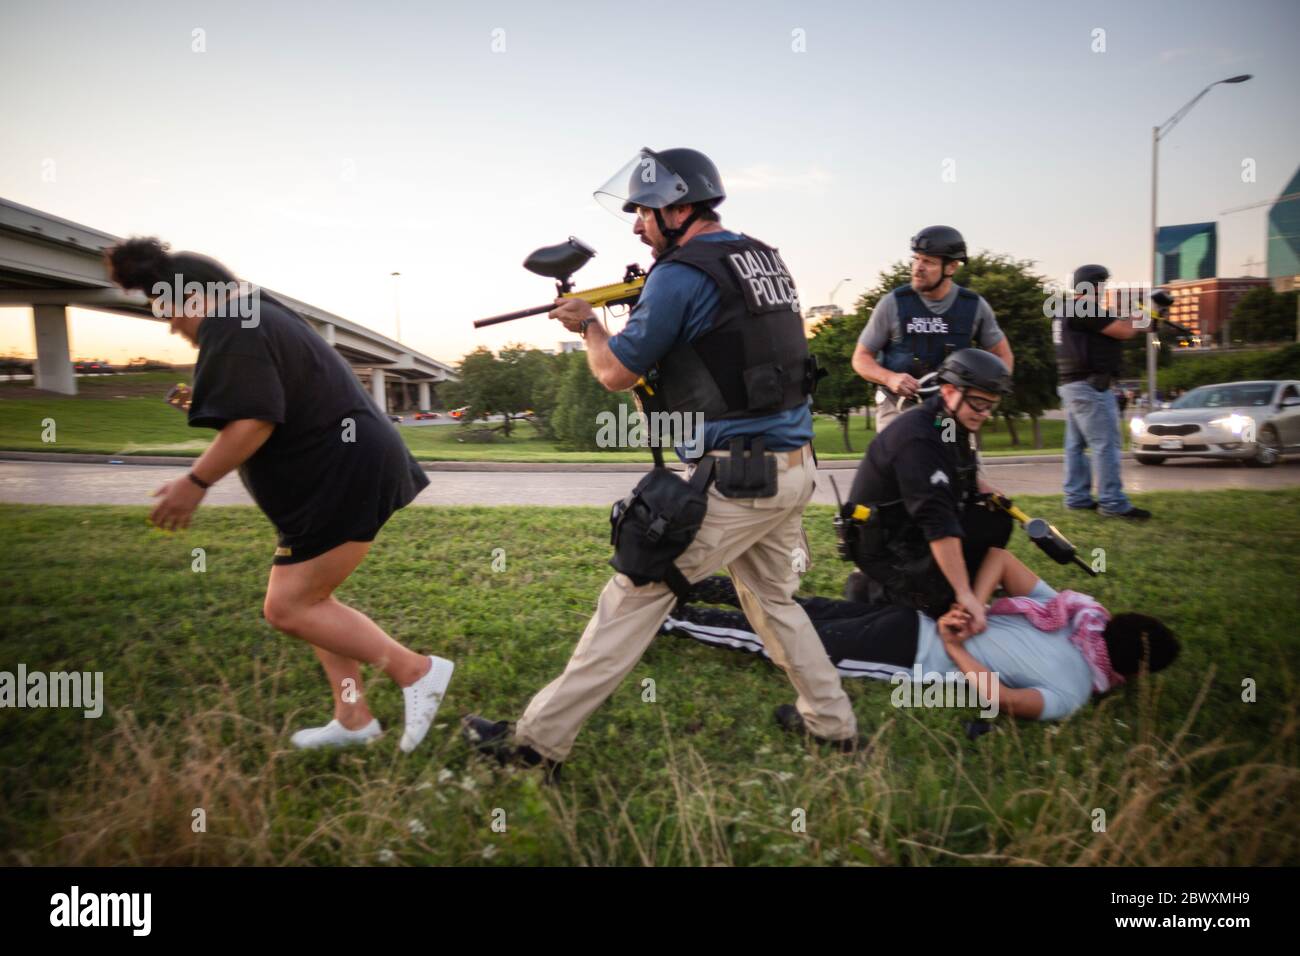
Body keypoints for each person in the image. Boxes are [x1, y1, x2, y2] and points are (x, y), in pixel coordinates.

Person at [462, 147, 860, 774]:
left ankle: (535, 745)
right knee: (773, 603)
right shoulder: (763, 258)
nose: (639, 226)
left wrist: (590, 327)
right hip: (793, 466)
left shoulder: (678, 274)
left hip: (738, 477)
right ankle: (832, 724)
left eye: (644, 213)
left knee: (634, 590)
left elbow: (617, 373)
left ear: (679, 206)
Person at [106, 238, 453, 752]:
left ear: (194, 299)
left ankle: (416, 671)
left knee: (288, 606)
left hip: (341, 473)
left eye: (169, 312)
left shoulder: (231, 324)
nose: (173, 327)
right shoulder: (258, 314)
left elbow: (255, 421)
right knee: (311, 600)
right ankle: (353, 719)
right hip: (338, 472)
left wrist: (193, 483)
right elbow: (271, 404)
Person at [661, 550, 1179, 722]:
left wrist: (969, 605)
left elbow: (1000, 559)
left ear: (1115, 622)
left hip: (910, 620)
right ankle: (671, 619)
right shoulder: (1074, 691)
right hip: (912, 654)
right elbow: (1002, 699)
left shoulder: (1074, 611)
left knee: (796, 609)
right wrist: (957, 648)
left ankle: (691, 583)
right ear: (1132, 673)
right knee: (785, 638)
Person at [842, 349, 1014, 632]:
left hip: (907, 527)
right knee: (953, 534)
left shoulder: (945, 421)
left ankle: (948, 587)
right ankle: (889, 593)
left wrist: (986, 491)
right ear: (948, 391)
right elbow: (937, 521)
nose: (984, 414)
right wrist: (965, 595)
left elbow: (958, 472)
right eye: (978, 403)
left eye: (990, 406)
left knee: (993, 518)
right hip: (887, 544)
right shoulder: (918, 437)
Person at [852, 226, 1013, 431]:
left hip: (948, 413)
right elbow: (861, 358)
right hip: (899, 409)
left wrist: (982, 400)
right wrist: (889, 378)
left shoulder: (974, 306)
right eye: (916, 258)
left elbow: (1003, 357)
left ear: (951, 267)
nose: (918, 267)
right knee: (902, 460)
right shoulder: (892, 303)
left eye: (928, 261)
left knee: (954, 460)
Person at [1052, 265, 1152, 519]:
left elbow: (1111, 328)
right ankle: (1113, 503)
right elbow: (1125, 330)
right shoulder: (1085, 307)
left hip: (1072, 385)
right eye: (1102, 284)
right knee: (1105, 444)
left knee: (1075, 445)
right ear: (1093, 285)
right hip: (1091, 386)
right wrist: (1141, 312)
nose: (1104, 289)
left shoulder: (1065, 308)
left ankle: (1077, 497)